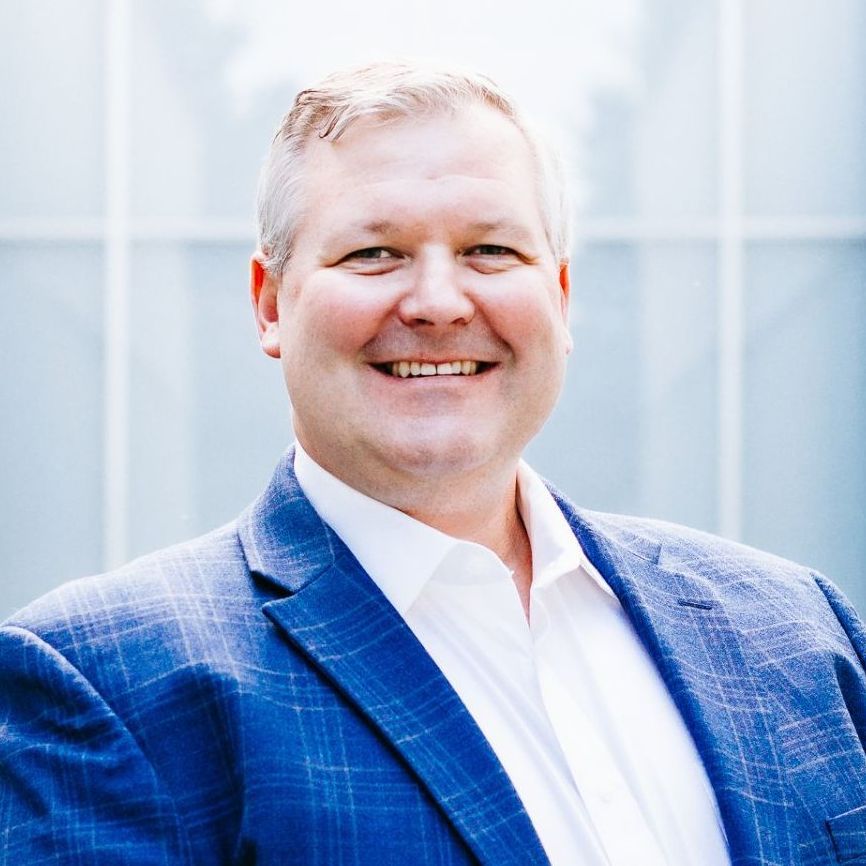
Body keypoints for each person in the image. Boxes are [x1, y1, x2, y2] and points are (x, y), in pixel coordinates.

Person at [1, 61, 865, 866]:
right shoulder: (108, 682)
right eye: (373, 253)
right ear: (269, 304)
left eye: (491, 250)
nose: (440, 303)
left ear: (558, 298)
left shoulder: (798, 629)